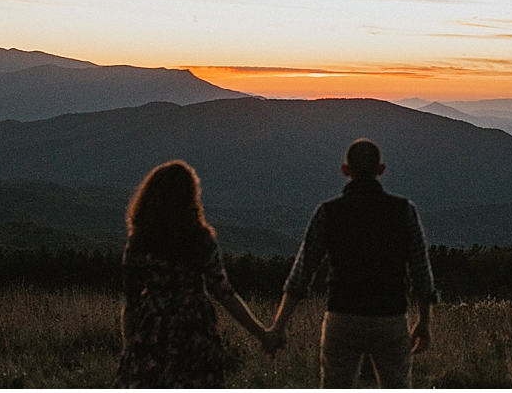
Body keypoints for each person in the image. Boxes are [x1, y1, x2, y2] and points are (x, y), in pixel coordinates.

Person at [267, 138, 439, 388]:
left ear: (345, 171)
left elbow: (301, 274)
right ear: (381, 170)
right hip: (390, 317)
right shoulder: (404, 211)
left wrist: (279, 326)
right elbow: (421, 272)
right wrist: (424, 322)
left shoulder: (328, 212)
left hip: (342, 316)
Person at [115, 160, 279, 388]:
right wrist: (263, 334)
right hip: (195, 331)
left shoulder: (139, 242)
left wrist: (130, 347)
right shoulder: (199, 239)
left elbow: (130, 303)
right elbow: (225, 294)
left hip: (151, 331)